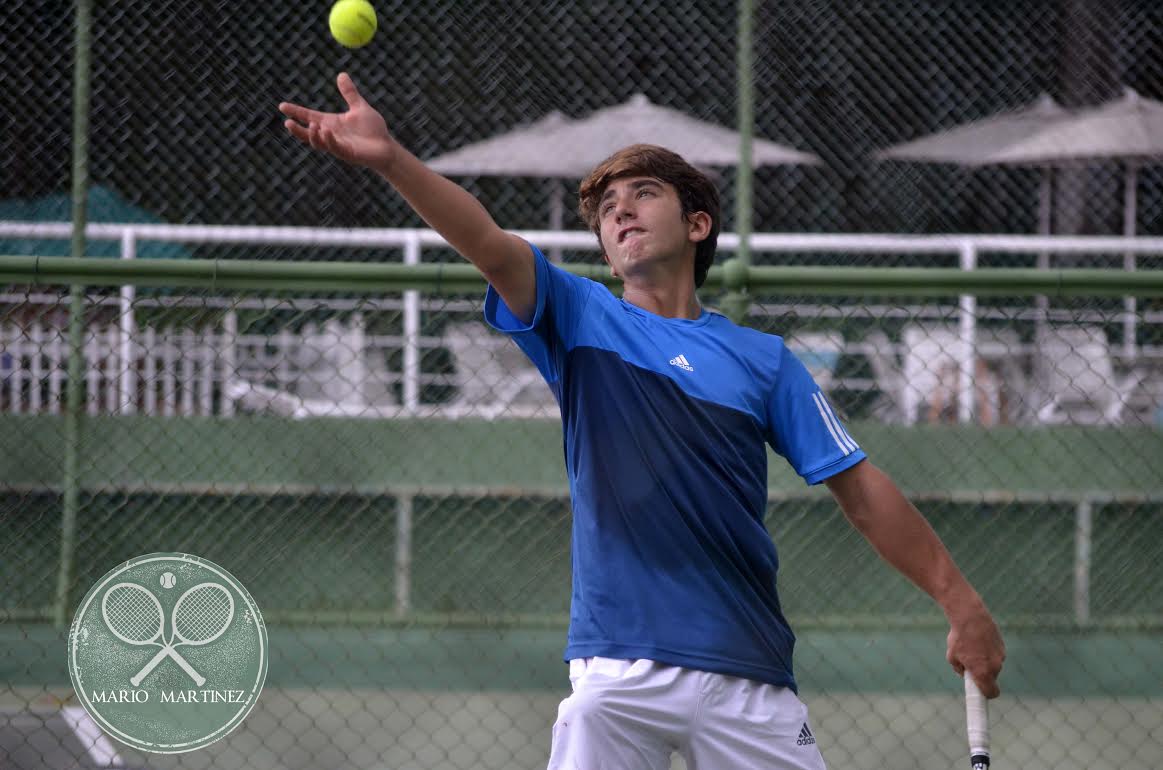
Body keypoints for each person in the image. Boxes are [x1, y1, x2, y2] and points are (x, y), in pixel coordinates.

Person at [280, 73, 1005, 770]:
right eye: (606, 209)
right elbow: (487, 242)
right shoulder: (577, 315)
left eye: (643, 194)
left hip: (747, 669)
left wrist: (960, 600)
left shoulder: (763, 360)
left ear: (697, 223)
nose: (619, 210)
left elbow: (859, 489)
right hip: (617, 669)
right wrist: (393, 161)